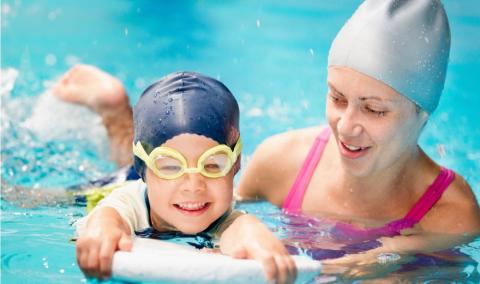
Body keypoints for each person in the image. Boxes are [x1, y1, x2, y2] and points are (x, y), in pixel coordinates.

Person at [237, 0, 480, 265]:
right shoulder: (279, 162)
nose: (345, 126)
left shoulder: (450, 213)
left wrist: (395, 254)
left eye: (374, 110)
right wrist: (243, 227)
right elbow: (211, 222)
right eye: (337, 98)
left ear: (421, 115)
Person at [74, 71, 297, 283]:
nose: (194, 186)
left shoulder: (222, 212)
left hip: (158, 178)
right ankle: (112, 107)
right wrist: (102, 231)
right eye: (171, 166)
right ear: (144, 165)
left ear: (235, 163)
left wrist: (256, 236)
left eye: (212, 164)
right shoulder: (127, 202)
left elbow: (240, 227)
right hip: (121, 182)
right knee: (51, 196)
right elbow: (108, 217)